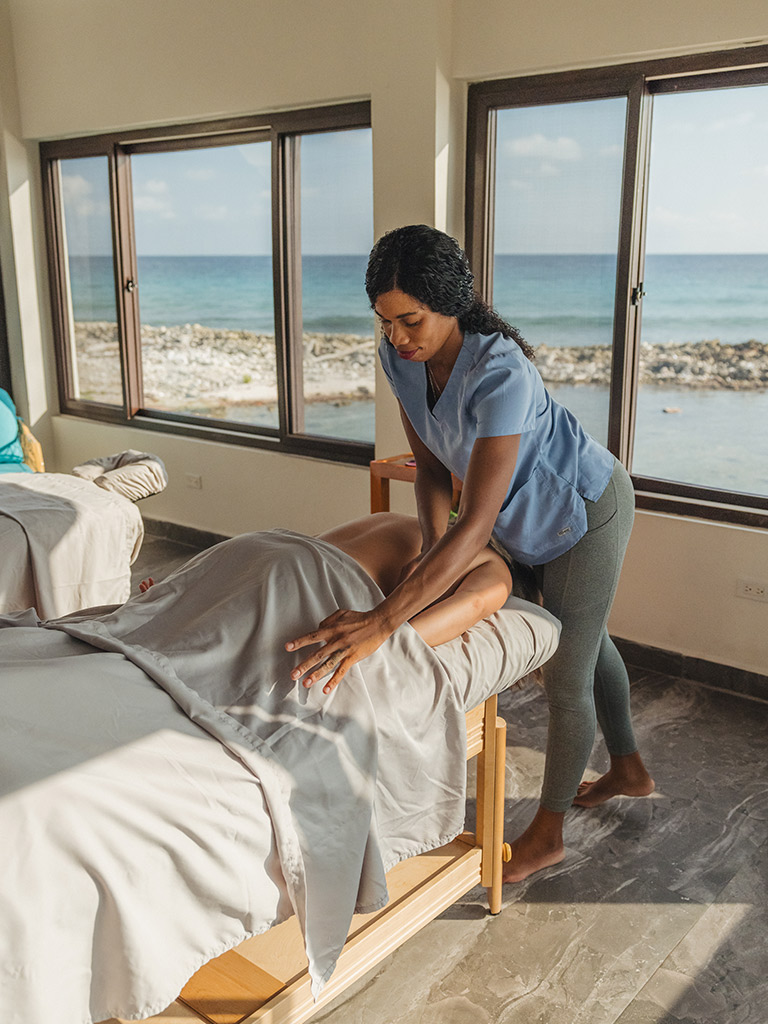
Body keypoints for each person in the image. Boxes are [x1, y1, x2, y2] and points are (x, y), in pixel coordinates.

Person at [287, 224, 654, 882]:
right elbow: (430, 470)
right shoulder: (399, 359)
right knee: (590, 638)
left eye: (411, 320)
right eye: (386, 322)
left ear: (449, 300)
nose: (398, 336)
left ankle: (549, 832)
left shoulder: (500, 371)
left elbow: (476, 518)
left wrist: (382, 623)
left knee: (565, 674)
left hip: (584, 512)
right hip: (520, 520)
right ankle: (627, 768)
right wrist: (430, 553)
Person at [142, 511, 513, 649]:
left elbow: (306, 553)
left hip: (265, 543)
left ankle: (172, 603)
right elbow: (421, 633)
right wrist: (379, 641)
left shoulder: (399, 518)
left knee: (166, 631)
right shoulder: (494, 567)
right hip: (307, 573)